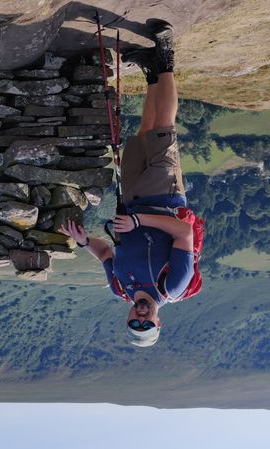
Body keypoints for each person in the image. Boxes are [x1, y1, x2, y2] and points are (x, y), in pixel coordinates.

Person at [59, 18, 195, 348]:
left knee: (145, 134)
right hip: (164, 197)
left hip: (131, 197)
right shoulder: (172, 286)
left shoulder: (120, 288)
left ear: (128, 318)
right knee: (164, 128)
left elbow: (106, 251)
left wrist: (82, 242)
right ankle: (166, 56)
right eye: (146, 324)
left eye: (134, 323)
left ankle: (151, 72)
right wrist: (137, 221)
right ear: (158, 323)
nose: (140, 317)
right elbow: (184, 233)